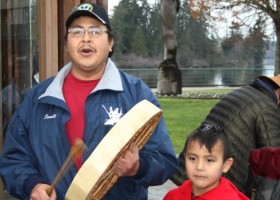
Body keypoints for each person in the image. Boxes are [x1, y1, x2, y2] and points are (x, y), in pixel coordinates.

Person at [0, 3, 179, 200]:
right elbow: (13, 158)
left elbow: (164, 159)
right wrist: (31, 185)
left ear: (110, 43)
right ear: (66, 44)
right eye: (77, 32)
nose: (86, 38)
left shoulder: (136, 93)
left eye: (95, 31)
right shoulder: (38, 98)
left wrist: (138, 167)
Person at [171, 74, 280, 197]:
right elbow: (273, 155)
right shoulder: (267, 107)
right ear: (278, 91)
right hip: (220, 177)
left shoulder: (245, 92)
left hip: (193, 170)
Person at [164, 123, 249, 200]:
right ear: (185, 158)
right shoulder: (173, 196)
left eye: (209, 160)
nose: (199, 167)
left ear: (226, 165)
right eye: (193, 158)